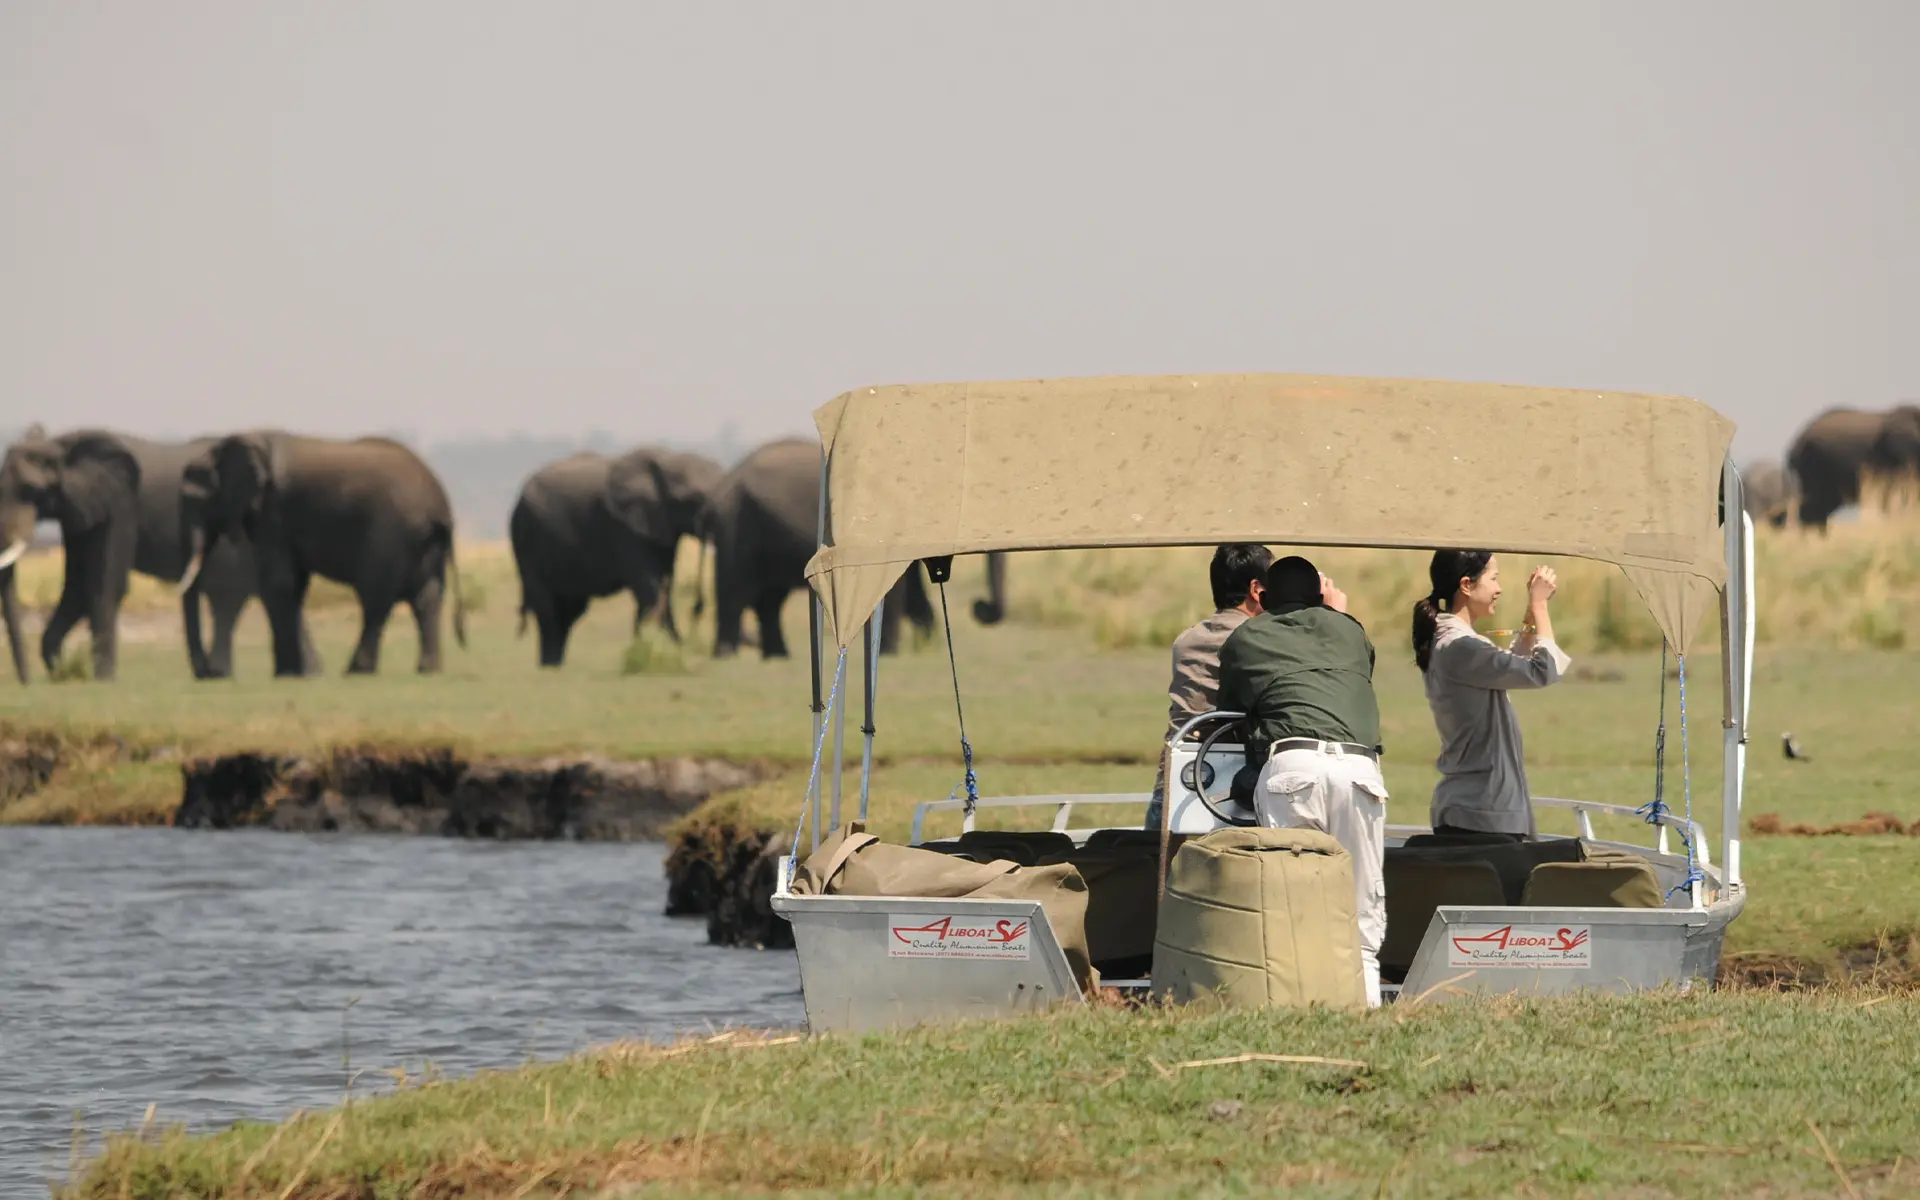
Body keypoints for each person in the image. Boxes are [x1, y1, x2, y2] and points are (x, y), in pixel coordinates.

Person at [1218, 555, 1388, 1006]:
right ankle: (1367, 1003)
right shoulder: (1351, 630)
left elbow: (1230, 711)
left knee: (1291, 899)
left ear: (1263, 597)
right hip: (1359, 769)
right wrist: (1334, 611)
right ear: (1320, 595)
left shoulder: (1246, 636)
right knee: (1362, 901)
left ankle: (1295, 1005)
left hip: (1291, 767)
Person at [1413, 550, 1571, 841]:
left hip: (1476, 809)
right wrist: (1539, 606)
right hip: (1481, 813)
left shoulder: (1454, 643)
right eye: (1494, 579)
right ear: (1466, 585)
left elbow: (1509, 667)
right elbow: (1542, 670)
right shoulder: (1460, 647)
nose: (1499, 589)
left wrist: (1529, 620)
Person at [1144, 543, 1272, 831]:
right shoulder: (1263, 641)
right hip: (1237, 783)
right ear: (1256, 590)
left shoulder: (1187, 640)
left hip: (1179, 777)